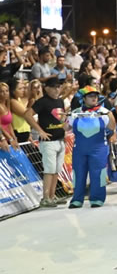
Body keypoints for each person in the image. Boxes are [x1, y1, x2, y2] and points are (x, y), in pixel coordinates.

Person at [67, 86, 117, 208]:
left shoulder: (104, 111)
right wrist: (67, 116)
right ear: (84, 98)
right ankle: (77, 199)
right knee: (78, 174)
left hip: (98, 148)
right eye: (90, 96)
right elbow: (66, 128)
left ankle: (97, 198)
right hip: (79, 149)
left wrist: (109, 113)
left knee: (98, 174)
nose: (94, 98)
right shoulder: (76, 112)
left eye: (95, 96)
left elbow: (111, 127)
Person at [24, 77, 67, 207]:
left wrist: (64, 125)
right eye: (54, 87)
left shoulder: (60, 101)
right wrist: (40, 131)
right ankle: (45, 197)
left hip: (60, 139)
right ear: (46, 88)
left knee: (56, 170)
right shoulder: (42, 102)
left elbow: (61, 117)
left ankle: (52, 195)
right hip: (48, 141)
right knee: (49, 170)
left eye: (58, 87)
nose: (56, 89)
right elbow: (27, 114)